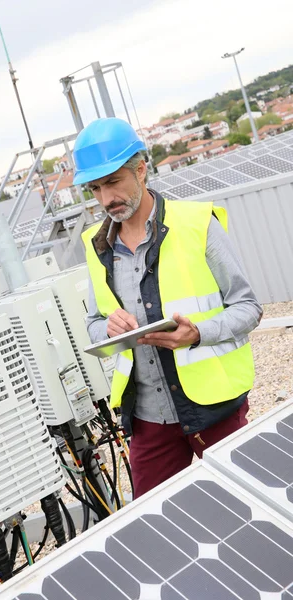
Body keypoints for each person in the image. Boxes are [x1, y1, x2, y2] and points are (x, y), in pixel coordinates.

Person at [74, 117, 263, 499]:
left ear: (141, 169)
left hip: (214, 407)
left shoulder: (196, 224)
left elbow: (248, 307)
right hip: (148, 418)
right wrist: (108, 329)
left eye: (112, 182)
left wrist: (198, 334)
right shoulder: (97, 246)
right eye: (95, 188)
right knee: (151, 530)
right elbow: (94, 324)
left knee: (249, 509)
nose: (105, 198)